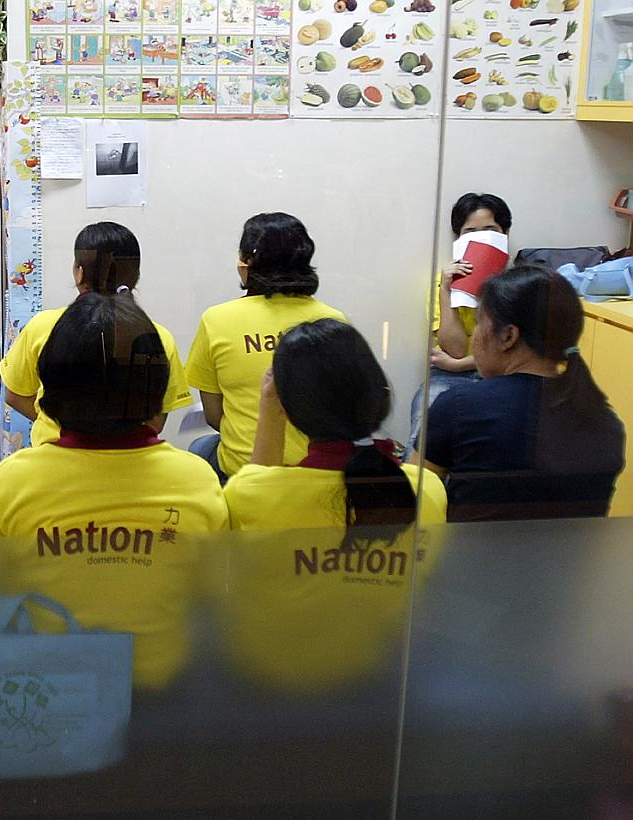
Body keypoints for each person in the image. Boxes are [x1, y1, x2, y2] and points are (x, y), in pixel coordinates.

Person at [0, 292, 227, 691]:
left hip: (49, 696)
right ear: (156, 389)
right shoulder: (197, 481)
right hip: (165, 689)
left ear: (49, 388)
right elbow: (210, 596)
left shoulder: (9, 483)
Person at [216, 319, 446, 693]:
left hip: (277, 682)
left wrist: (270, 410)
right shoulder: (427, 490)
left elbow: (257, 485)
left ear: (288, 407)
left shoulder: (251, 494)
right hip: (386, 685)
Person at [422, 265, 625, 522]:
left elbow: (417, 506)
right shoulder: (607, 422)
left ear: (508, 336)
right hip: (570, 551)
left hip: (475, 550)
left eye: (480, 322)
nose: (476, 337)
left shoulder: (458, 406)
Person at [184, 212, 346, 481]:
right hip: (317, 472)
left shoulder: (217, 320)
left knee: (200, 448)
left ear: (248, 262)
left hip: (244, 473)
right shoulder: (333, 321)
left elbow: (214, 416)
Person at [0, 221, 192, 447]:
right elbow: (155, 422)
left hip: (55, 455)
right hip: (129, 461)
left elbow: (15, 395)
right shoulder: (157, 337)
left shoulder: (43, 327)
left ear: (79, 273)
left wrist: (53, 423)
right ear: (135, 275)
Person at [408, 192, 513, 447]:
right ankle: (416, 470)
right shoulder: (441, 284)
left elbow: (513, 353)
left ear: (505, 234)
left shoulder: (517, 284)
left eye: (489, 230)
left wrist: (459, 364)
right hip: (448, 375)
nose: (480, 238)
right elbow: (454, 349)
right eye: (470, 232)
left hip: (502, 373)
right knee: (426, 417)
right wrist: (447, 290)